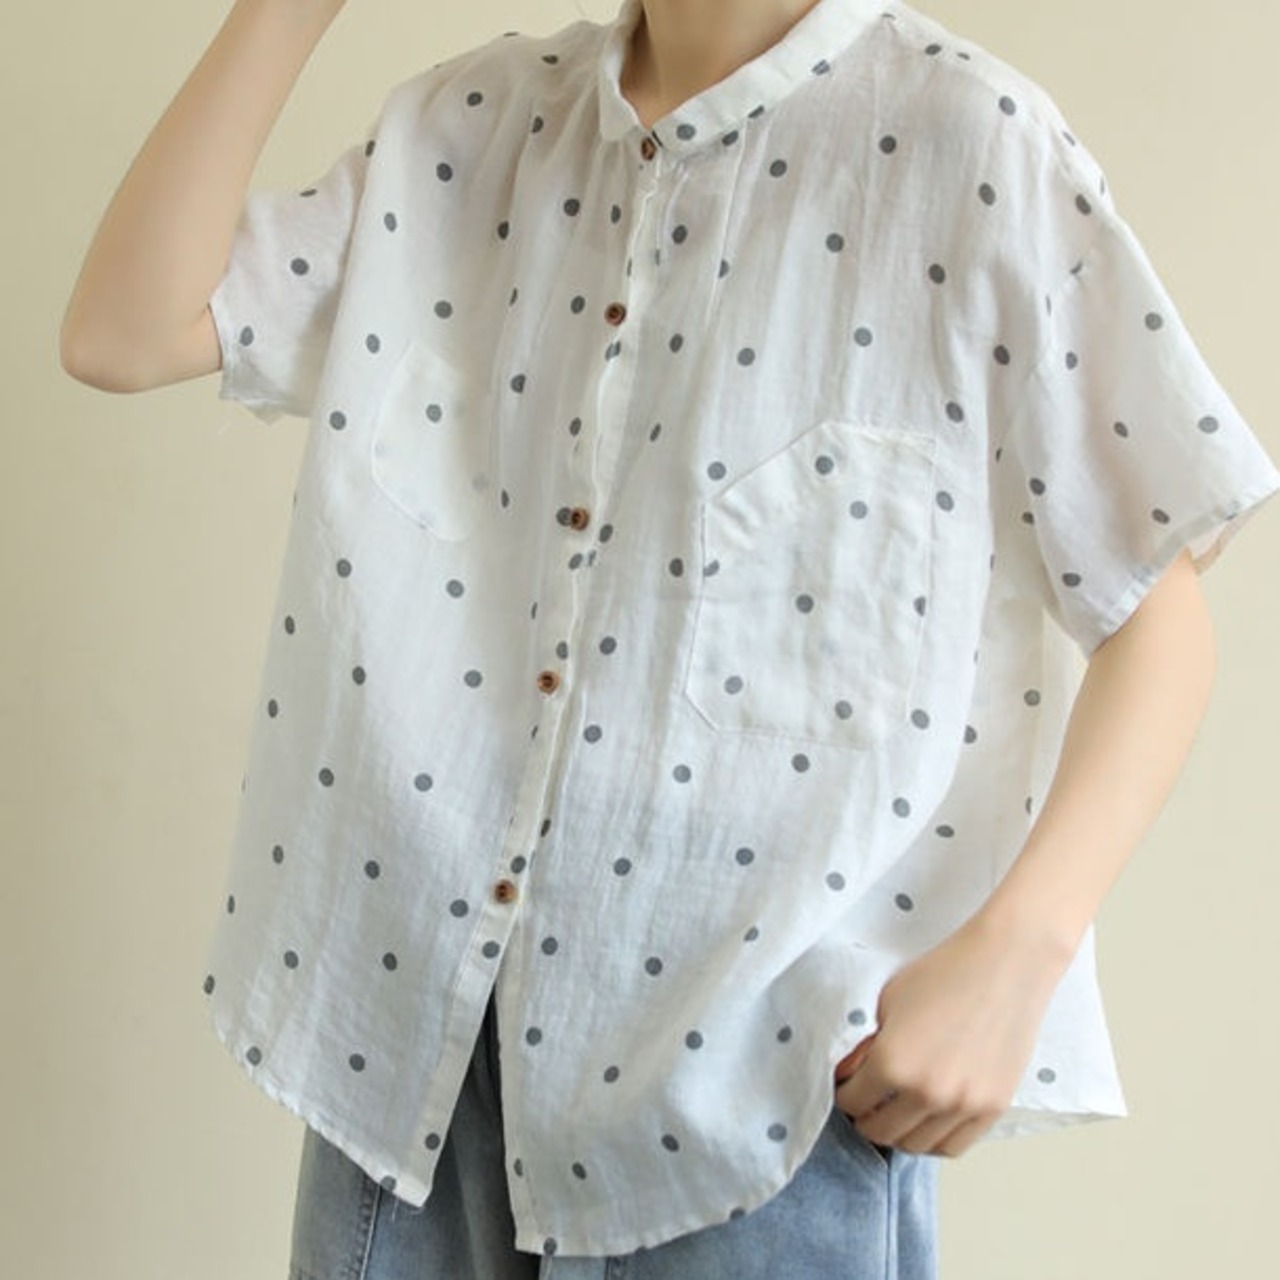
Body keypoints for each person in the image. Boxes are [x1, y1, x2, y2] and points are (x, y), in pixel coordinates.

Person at [60, 1, 1280, 1276]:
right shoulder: (466, 131)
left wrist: (1020, 952)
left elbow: (1154, 613)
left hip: (757, 1113)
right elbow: (123, 332)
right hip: (411, 1082)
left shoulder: (968, 145)